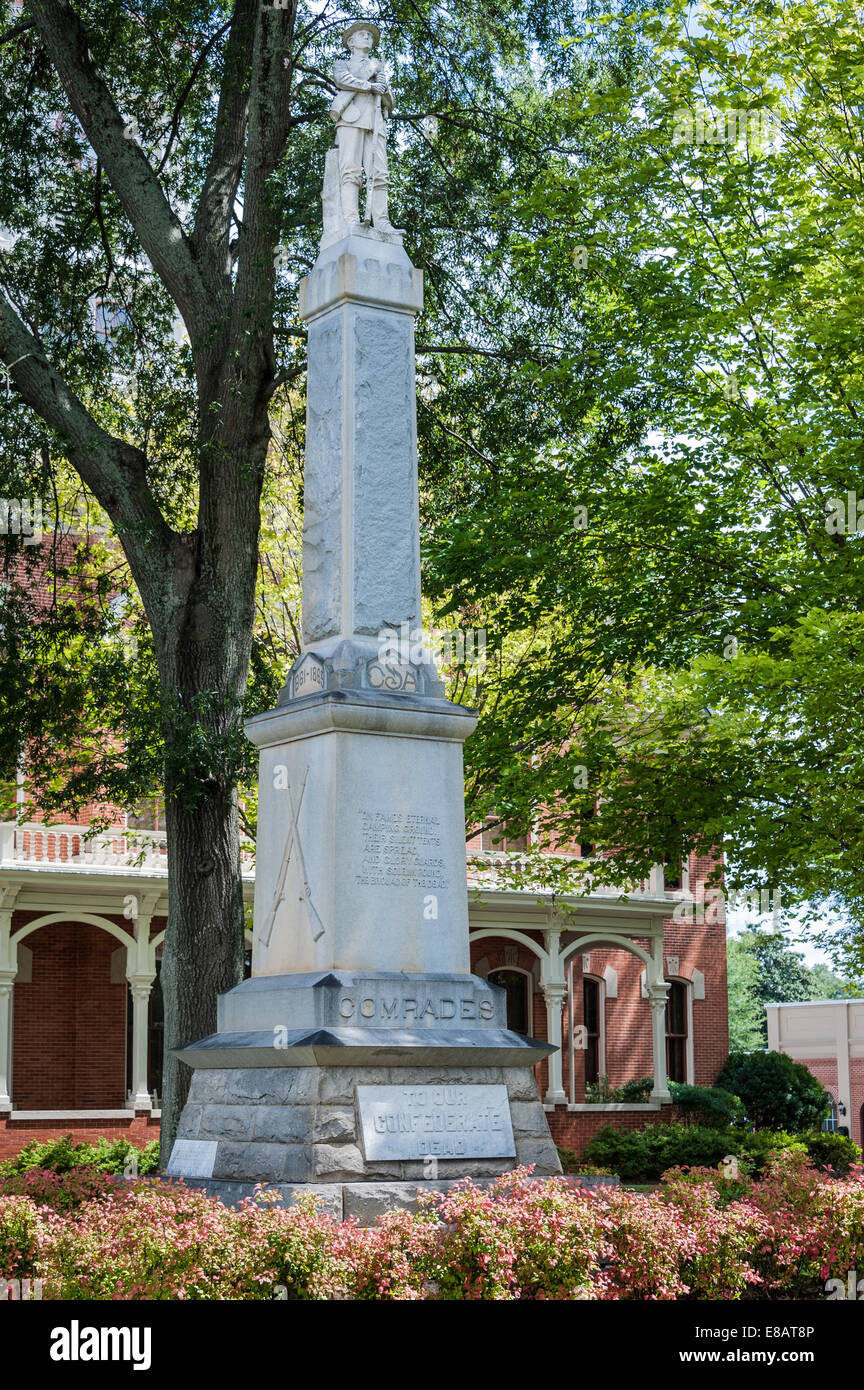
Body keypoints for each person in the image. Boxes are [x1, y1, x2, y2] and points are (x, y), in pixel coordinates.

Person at [330, 21, 401, 233]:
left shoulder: (378, 67)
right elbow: (342, 80)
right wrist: (369, 84)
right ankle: (351, 220)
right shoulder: (342, 64)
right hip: (351, 118)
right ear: (351, 42)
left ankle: (382, 222)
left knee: (380, 172)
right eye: (362, 34)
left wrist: (383, 87)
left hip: (375, 120)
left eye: (370, 35)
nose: (367, 37)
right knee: (350, 170)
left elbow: (390, 102)